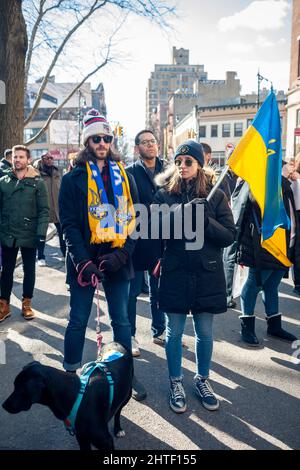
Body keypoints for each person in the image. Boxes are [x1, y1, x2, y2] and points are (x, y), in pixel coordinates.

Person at [58, 109, 145, 400]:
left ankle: (125, 377)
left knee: (121, 321)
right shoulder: (72, 179)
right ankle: (70, 377)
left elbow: (135, 220)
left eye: (106, 138)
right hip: (84, 262)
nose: (102, 143)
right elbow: (68, 225)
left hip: (117, 259)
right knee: (78, 320)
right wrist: (83, 262)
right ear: (87, 142)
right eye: (96, 138)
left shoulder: (125, 175)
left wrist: (122, 255)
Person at [153, 140, 235, 413]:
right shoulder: (164, 194)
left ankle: (202, 379)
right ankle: (176, 381)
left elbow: (228, 236)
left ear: (200, 164)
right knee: (173, 333)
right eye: (178, 161)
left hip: (206, 273)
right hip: (175, 272)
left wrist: (206, 221)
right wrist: (182, 213)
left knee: (205, 333)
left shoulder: (217, 195)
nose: (183, 166)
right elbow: (153, 228)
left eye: (189, 161)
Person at [236, 165, 299, 346]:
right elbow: (241, 212)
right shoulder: (254, 182)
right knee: (254, 284)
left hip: (285, 245)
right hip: (263, 246)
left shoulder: (286, 183)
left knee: (272, 285)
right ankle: (246, 325)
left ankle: (274, 325)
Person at [126, 129, 166, 357]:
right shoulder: (129, 171)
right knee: (131, 292)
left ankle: (159, 330)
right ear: (137, 148)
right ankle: (130, 335)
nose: (150, 145)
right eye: (145, 142)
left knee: (158, 289)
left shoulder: (170, 170)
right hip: (136, 239)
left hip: (162, 239)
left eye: (153, 141)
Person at [0, 145, 49, 322]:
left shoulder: (38, 182)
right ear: (11, 159)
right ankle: (4, 305)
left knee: (29, 270)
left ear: (28, 160)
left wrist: (41, 233)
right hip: (8, 233)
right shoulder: (4, 181)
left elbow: (44, 210)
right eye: (15, 157)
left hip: (30, 233)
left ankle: (26, 304)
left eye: (21, 157)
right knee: (6, 271)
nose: (18, 160)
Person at [34, 152, 66, 265]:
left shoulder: (57, 172)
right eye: (47, 158)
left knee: (62, 232)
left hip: (57, 208)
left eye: (51, 158)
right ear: (42, 159)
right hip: (44, 208)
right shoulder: (37, 174)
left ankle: (65, 254)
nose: (49, 160)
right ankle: (41, 257)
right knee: (41, 234)